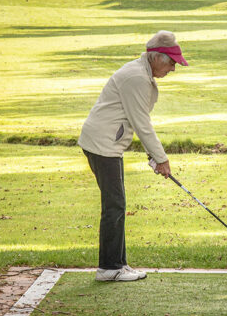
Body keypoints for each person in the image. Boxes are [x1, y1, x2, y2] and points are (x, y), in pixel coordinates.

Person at [78, 31, 188, 281]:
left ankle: (118, 263)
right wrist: (161, 159)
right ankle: (109, 268)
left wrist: (152, 155)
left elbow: (135, 121)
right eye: (171, 62)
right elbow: (142, 123)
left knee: (116, 203)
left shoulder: (141, 72)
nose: (173, 68)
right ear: (156, 58)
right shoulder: (137, 77)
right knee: (115, 204)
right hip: (102, 144)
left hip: (106, 142)